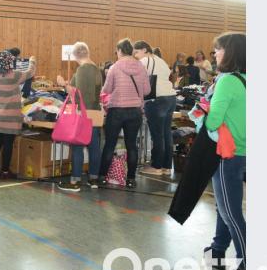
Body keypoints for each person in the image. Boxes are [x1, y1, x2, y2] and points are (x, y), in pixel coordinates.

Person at [203, 33, 246, 270]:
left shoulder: (228, 81)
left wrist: (201, 115)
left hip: (229, 154)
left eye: (218, 50)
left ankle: (247, 265)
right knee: (224, 206)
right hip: (245, 152)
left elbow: (213, 121)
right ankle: (217, 250)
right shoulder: (246, 79)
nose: (215, 55)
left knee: (231, 213)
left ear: (228, 53)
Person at [97, 39, 150, 189]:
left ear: (120, 50)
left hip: (117, 110)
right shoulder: (141, 67)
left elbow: (106, 89)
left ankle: (102, 177)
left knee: (110, 144)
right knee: (132, 145)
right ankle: (131, 179)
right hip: (135, 111)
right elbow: (146, 91)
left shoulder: (115, 67)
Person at [55, 42, 102, 191]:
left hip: (83, 114)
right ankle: (94, 179)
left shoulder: (82, 70)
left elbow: (77, 94)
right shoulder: (97, 69)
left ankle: (75, 182)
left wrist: (63, 84)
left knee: (77, 148)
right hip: (94, 113)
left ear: (75, 55)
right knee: (94, 148)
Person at [0, 50, 36, 179]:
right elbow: (30, 73)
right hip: (10, 117)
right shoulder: (14, 76)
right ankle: (5, 171)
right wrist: (32, 61)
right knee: (8, 144)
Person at [134, 41, 178, 177]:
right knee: (166, 133)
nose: (135, 55)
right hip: (170, 98)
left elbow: (137, 78)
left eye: (136, 52)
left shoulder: (145, 60)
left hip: (157, 100)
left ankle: (156, 166)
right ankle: (166, 167)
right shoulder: (162, 61)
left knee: (157, 135)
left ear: (144, 50)